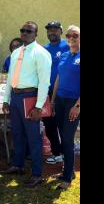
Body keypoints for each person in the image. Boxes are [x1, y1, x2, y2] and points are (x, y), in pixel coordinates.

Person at [2, 21, 52, 188]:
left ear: (36, 34)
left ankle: (37, 174)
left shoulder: (41, 53)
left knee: (33, 138)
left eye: (28, 31)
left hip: (31, 97)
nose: (24, 33)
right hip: (16, 97)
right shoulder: (17, 52)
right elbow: (10, 77)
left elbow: (45, 82)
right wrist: (5, 99)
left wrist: (38, 107)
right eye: (22, 30)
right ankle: (18, 165)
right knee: (17, 134)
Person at [51, 25, 80, 190]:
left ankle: (67, 177)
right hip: (60, 101)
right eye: (68, 35)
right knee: (63, 137)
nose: (71, 38)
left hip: (73, 103)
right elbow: (58, 79)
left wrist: (77, 106)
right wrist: (53, 101)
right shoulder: (64, 55)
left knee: (68, 139)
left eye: (74, 35)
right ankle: (69, 171)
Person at [43, 21, 69, 165]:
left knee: (63, 125)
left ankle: (66, 155)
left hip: (63, 91)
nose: (52, 32)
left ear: (61, 31)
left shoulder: (67, 46)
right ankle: (56, 153)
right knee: (49, 124)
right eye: (49, 30)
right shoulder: (44, 49)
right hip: (47, 91)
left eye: (55, 30)